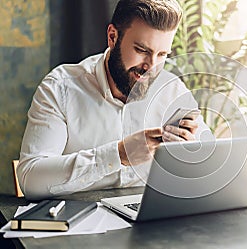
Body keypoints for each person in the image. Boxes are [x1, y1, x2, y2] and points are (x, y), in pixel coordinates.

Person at [17, 0, 211, 200]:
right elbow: (31, 180)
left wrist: (191, 150)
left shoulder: (172, 89)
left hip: (152, 220)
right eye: (142, 50)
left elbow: (209, 165)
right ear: (112, 36)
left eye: (162, 54)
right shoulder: (60, 88)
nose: (151, 66)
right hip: (79, 223)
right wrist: (118, 155)